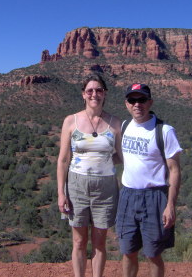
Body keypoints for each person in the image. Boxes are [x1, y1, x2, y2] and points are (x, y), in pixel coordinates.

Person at [57, 74, 123, 277]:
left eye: (99, 90)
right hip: (76, 185)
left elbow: (121, 156)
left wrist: (103, 163)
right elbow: (63, 160)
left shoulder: (115, 123)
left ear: (105, 94)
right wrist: (61, 193)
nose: (95, 94)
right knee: (78, 241)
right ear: (83, 95)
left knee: (100, 242)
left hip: (106, 188)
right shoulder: (71, 121)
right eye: (90, 90)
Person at [116, 83, 182, 277]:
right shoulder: (124, 127)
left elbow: (175, 170)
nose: (137, 104)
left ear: (150, 102)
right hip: (127, 196)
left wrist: (170, 205)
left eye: (142, 99)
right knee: (128, 251)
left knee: (153, 253)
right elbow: (117, 157)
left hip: (155, 197)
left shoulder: (164, 131)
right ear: (126, 104)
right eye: (132, 100)